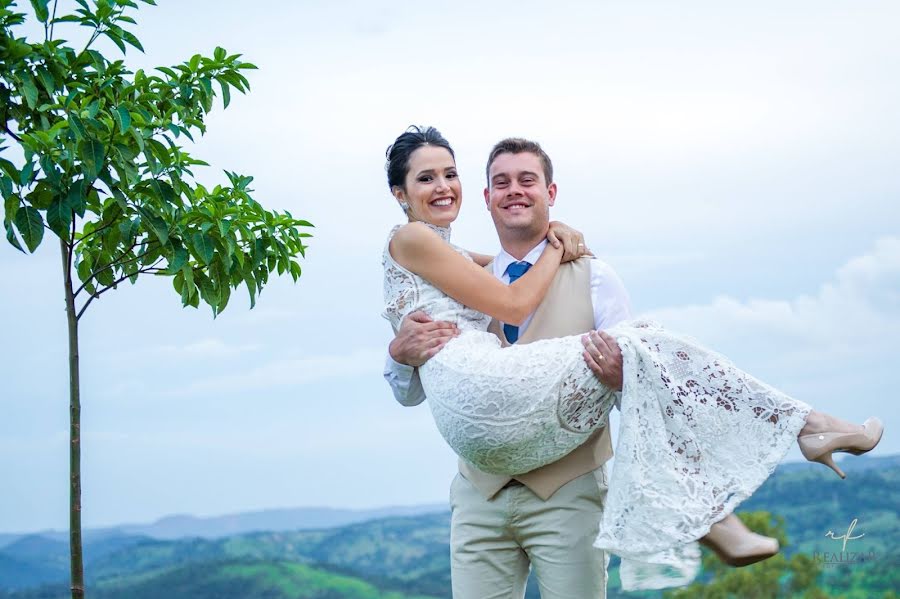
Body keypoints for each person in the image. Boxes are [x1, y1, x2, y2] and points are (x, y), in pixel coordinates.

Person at [381, 126, 883, 592]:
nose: (513, 190)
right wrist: (399, 356)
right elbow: (420, 383)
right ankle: (792, 439)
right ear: (486, 198)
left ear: (550, 194)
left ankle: (734, 490)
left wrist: (620, 375)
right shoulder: (451, 267)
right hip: (480, 492)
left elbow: (641, 392)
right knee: (651, 345)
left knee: (641, 355)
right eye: (501, 183)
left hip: (567, 495)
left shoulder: (590, 276)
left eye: (527, 180)